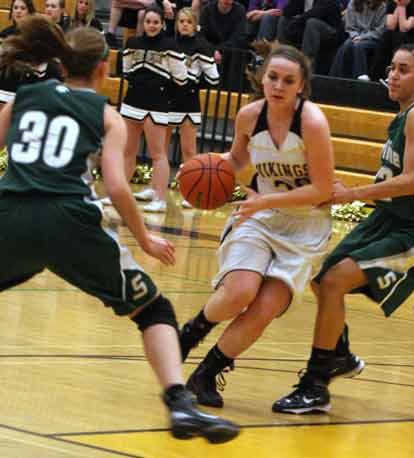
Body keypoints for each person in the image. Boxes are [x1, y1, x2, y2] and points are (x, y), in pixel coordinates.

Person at [0, 15, 239, 442]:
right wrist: (145, 238)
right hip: (70, 220)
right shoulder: (104, 114)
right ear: (103, 69)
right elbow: (117, 186)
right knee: (154, 311)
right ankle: (180, 405)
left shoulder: (25, 98)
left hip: (11, 213)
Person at [272, 44, 414, 414]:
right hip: (389, 220)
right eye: (391, 67)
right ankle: (338, 355)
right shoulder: (411, 116)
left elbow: (410, 181)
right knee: (323, 277)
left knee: (331, 282)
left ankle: (315, 386)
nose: (392, 74)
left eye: (403, 69)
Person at [178, 44, 336, 408]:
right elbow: (236, 159)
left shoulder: (312, 123)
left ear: (302, 86)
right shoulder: (249, 116)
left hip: (305, 225)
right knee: (240, 291)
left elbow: (323, 189)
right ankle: (190, 333)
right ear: (262, 78)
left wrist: (264, 199)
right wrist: (204, 171)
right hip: (260, 217)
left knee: (264, 308)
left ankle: (207, 373)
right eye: (273, 77)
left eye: (288, 80)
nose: (278, 85)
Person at [118, 6, 188, 213]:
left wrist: (163, 89)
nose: (151, 25)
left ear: (162, 23)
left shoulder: (170, 45)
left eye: (156, 22)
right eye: (148, 21)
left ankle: (159, 199)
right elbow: (126, 70)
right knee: (128, 151)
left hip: (157, 103)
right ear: (144, 23)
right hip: (132, 101)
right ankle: (119, 195)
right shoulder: (133, 43)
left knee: (158, 154)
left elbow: (181, 77)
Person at [168, 7, 219, 209]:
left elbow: (214, 79)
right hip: (168, 100)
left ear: (195, 24)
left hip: (189, 102)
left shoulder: (201, 46)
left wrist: (192, 85)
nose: (184, 25)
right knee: (161, 149)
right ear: (176, 24)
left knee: (189, 151)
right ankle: (157, 190)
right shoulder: (170, 44)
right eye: (181, 21)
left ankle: (191, 193)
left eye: (188, 22)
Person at [370, 0, 414, 81]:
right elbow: (391, 26)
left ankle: (393, 75)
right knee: (386, 36)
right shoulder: (392, 3)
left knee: (399, 36)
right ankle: (375, 77)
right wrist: (399, 6)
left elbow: (404, 28)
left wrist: (402, 7)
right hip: (399, 35)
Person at [277, 0, 345, 74]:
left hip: (331, 31)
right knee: (284, 20)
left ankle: (306, 66)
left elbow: (316, 13)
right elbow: (287, 12)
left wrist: (296, 23)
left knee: (312, 23)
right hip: (308, 28)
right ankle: (284, 59)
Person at [329, 0, 386, 80]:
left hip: (373, 38)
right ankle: (336, 78)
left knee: (358, 46)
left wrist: (363, 37)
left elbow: (380, 31)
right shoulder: (353, 3)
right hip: (355, 36)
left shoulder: (382, 6)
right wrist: (355, 36)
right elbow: (350, 27)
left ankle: (361, 78)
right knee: (346, 46)